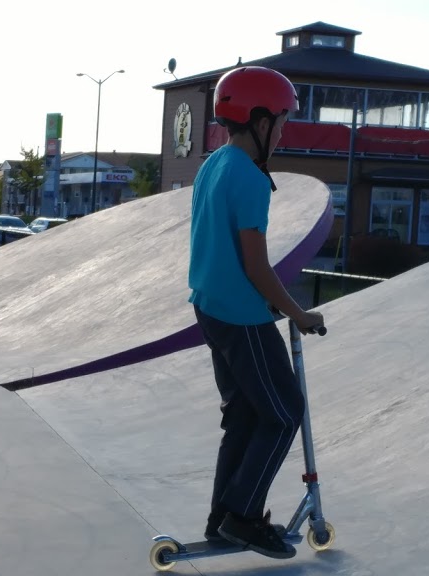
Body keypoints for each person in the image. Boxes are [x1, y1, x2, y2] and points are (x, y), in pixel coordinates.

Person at [188, 65, 325, 560]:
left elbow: (219, 246)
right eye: (282, 121)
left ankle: (221, 518)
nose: (284, 132)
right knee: (285, 412)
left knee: (244, 417)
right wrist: (297, 312)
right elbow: (255, 263)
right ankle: (243, 517)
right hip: (243, 317)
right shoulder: (247, 177)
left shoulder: (214, 163)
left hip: (211, 308)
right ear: (260, 119)